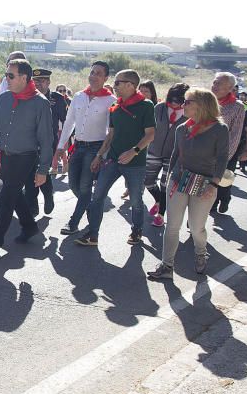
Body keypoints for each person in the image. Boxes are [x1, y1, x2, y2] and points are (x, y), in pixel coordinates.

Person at [146, 88, 230, 280]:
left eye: (188, 102)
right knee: (172, 225)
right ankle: (167, 266)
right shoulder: (182, 128)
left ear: (201, 105)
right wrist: (168, 179)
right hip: (179, 180)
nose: (183, 105)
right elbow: (175, 154)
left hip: (205, 184)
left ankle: (201, 253)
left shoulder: (219, 129)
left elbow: (223, 157)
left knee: (196, 227)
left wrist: (214, 184)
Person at [0, 58, 53, 258]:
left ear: (24, 77)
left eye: (11, 75)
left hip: (26, 157)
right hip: (5, 157)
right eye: (6, 75)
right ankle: (29, 226)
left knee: (7, 196)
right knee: (14, 193)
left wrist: (43, 170)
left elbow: (46, 139)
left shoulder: (40, 104)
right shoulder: (4, 99)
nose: (6, 79)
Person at [75, 69, 155, 248]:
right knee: (98, 197)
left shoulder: (146, 106)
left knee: (135, 200)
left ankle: (136, 230)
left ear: (130, 85)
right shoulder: (115, 108)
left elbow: (150, 134)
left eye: (118, 82)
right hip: (112, 161)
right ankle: (93, 234)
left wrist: (134, 151)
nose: (114, 86)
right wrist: (98, 156)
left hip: (135, 163)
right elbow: (110, 135)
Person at [56, 60, 115, 235]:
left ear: (105, 78)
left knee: (84, 186)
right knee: (73, 184)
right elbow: (69, 122)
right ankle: (91, 209)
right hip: (78, 146)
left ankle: (73, 223)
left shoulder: (111, 100)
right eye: (92, 72)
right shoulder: (79, 96)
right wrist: (61, 146)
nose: (94, 76)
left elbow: (110, 132)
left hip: (95, 148)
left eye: (98, 73)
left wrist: (102, 155)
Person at [145, 82, 190, 227]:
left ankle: (161, 215)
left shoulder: (189, 113)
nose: (174, 104)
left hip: (173, 155)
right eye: (172, 100)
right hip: (154, 150)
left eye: (179, 101)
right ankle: (159, 201)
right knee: (148, 181)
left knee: (165, 185)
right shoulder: (159, 108)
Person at [0, 51, 27, 185]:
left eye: (13, 62)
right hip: (5, 123)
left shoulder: (27, 82)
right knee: (3, 153)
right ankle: (4, 179)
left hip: (20, 128)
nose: (10, 65)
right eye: (9, 62)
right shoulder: (5, 80)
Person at [210, 72, 247, 214]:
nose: (215, 86)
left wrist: (225, 157)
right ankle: (211, 205)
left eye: (219, 84)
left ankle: (225, 198)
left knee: (224, 179)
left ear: (230, 88)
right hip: (205, 150)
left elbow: (235, 134)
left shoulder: (238, 106)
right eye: (214, 82)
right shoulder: (205, 100)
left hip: (227, 151)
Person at [30, 67, 67, 215]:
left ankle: (47, 195)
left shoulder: (57, 99)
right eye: (35, 81)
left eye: (41, 81)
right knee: (31, 172)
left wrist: (64, 145)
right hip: (30, 142)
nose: (38, 84)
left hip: (49, 142)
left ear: (49, 82)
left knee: (42, 169)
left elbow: (66, 122)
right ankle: (32, 204)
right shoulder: (29, 96)